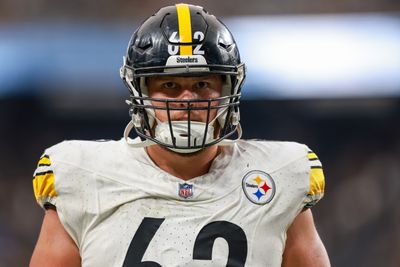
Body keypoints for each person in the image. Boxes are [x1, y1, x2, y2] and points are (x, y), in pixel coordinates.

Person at [30, 3, 330, 267]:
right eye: (170, 86)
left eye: (202, 85)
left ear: (228, 90)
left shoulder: (281, 175)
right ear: (140, 93)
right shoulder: (81, 175)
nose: (187, 100)